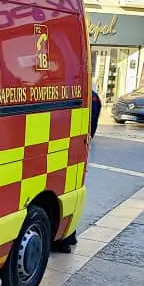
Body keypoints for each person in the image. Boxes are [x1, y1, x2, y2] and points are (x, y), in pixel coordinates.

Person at [54, 84, 101, 253]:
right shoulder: (91, 96)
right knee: (68, 191)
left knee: (63, 191)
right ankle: (69, 235)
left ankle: (64, 238)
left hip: (62, 149)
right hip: (76, 149)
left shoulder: (66, 94)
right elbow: (91, 129)